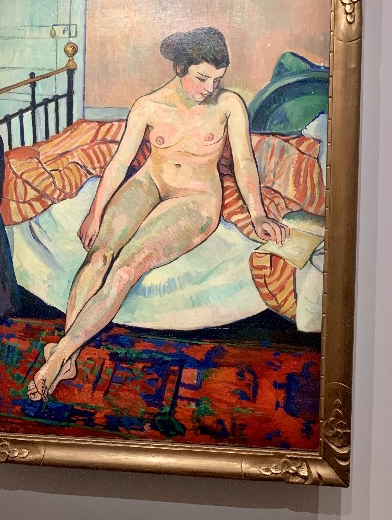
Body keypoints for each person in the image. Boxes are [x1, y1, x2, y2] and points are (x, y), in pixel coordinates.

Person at [27, 27, 289, 402]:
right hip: (150, 182)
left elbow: (245, 162)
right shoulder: (148, 106)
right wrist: (95, 213)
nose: (209, 88)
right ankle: (69, 356)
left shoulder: (229, 105)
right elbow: (120, 163)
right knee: (99, 256)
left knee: (125, 269)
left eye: (216, 79)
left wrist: (258, 213)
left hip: (196, 199)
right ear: (181, 68)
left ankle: (58, 358)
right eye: (202, 78)